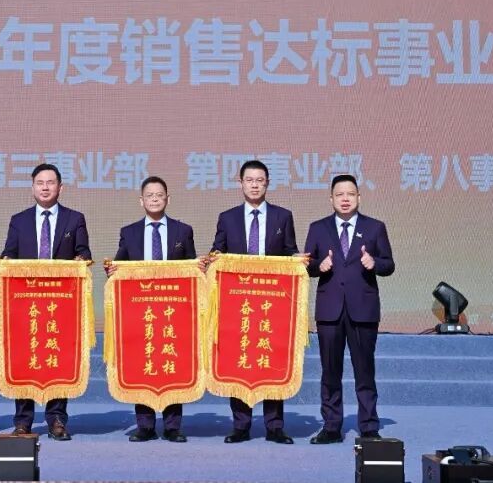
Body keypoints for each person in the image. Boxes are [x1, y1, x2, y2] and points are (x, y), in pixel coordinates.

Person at [210, 160, 298, 444]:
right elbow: (218, 251)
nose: (255, 185)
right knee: (240, 358)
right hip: (238, 304)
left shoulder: (283, 217)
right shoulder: (227, 218)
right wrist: (212, 258)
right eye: (250, 180)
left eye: (260, 180)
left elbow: (290, 253)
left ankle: (275, 426)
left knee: (271, 357)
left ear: (267, 183)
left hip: (273, 304)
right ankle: (241, 425)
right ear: (241, 183)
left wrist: (297, 260)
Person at [1, 162, 92, 441]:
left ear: (60, 187)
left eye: (50, 182)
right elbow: (8, 254)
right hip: (26, 304)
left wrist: (80, 260)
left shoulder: (74, 219)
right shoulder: (18, 220)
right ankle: (23, 421)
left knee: (58, 358)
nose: (45, 187)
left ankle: (57, 420)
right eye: (40, 183)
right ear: (32, 187)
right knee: (25, 358)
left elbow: (84, 254)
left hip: (60, 305)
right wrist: (6, 262)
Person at [304, 174, 395, 443]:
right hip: (329, 310)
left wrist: (374, 263)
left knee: (364, 370)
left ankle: (369, 426)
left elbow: (389, 264)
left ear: (359, 197)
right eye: (340, 194)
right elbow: (307, 265)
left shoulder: (375, 227)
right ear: (331, 199)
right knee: (330, 371)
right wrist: (318, 266)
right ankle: (332, 426)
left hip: (363, 309)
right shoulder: (318, 228)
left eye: (350, 194)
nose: (345, 199)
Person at [108, 176, 196, 443]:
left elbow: (191, 268)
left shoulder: (183, 231)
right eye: (150, 195)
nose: (155, 199)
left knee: (172, 362)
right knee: (142, 362)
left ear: (168, 199)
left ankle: (172, 426)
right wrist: (112, 270)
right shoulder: (129, 232)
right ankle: (145, 425)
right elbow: (120, 265)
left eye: (159, 195)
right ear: (141, 201)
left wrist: (198, 269)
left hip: (173, 312)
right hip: (140, 312)